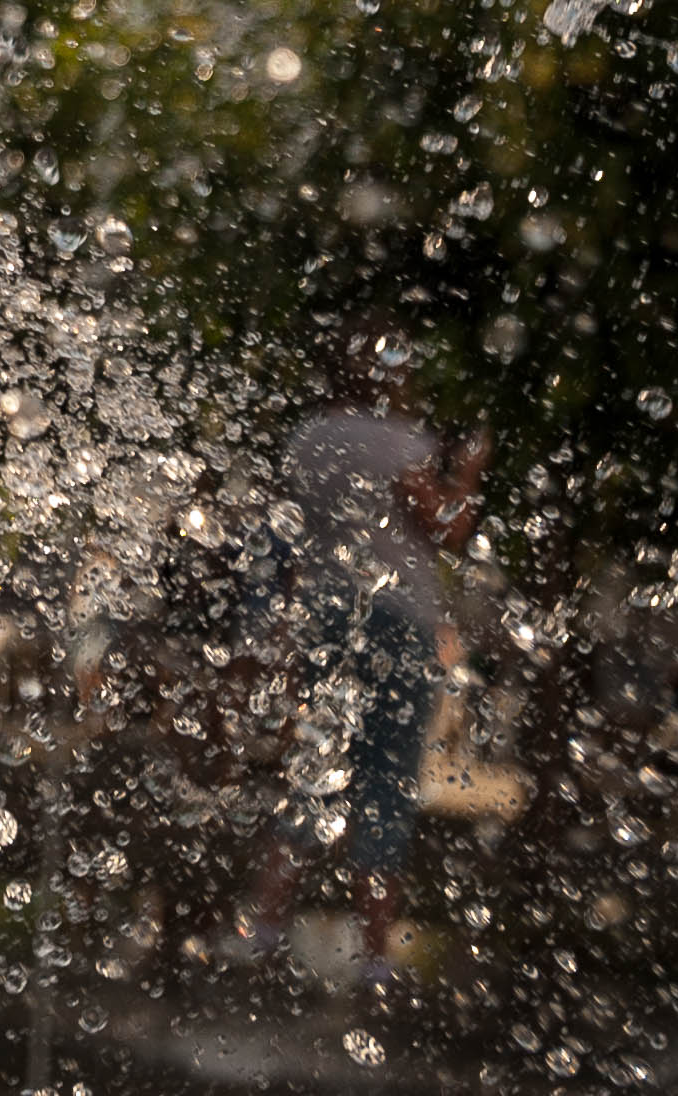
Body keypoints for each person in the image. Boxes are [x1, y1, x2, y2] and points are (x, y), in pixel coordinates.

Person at [229, 332, 488, 986]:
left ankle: (265, 925)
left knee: (313, 768)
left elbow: (285, 535)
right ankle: (375, 956)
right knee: (386, 778)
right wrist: (472, 470)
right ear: (384, 374)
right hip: (396, 623)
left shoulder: (308, 440)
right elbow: (447, 530)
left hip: (324, 617)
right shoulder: (399, 442)